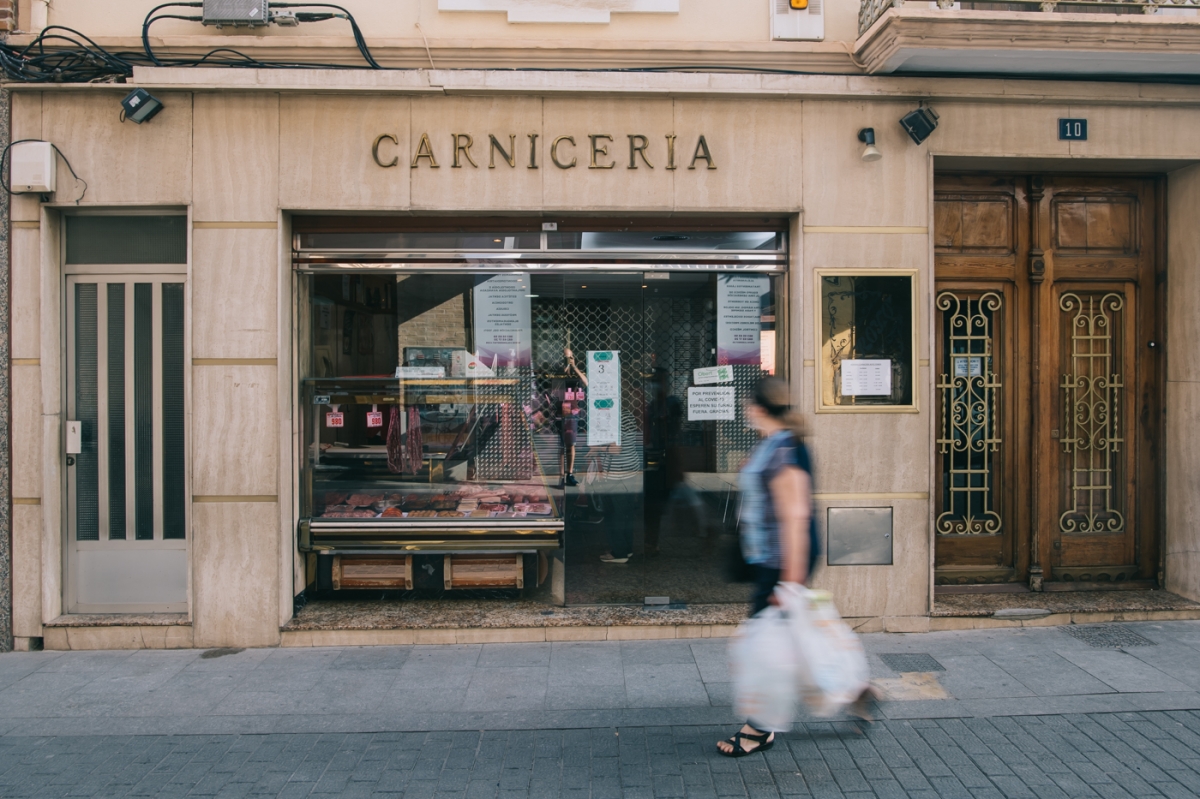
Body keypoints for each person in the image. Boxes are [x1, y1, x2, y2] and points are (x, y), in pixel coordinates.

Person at [717, 376, 872, 758]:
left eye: (747, 405)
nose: (744, 411)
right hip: (769, 557)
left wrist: (790, 582)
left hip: (781, 560)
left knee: (765, 643)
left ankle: (760, 728)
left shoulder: (784, 451)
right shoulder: (773, 444)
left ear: (757, 408)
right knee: (797, 635)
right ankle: (853, 689)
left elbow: (795, 519)